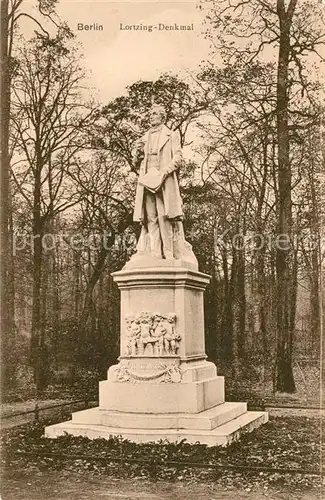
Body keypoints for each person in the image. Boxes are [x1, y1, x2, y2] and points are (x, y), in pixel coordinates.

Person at [131, 104, 197, 266]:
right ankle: (155, 252)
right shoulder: (144, 138)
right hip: (147, 180)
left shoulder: (171, 135)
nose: (151, 116)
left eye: (154, 114)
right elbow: (136, 163)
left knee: (165, 216)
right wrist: (137, 154)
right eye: (150, 114)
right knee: (150, 217)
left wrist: (165, 172)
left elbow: (178, 158)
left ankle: (168, 251)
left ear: (162, 117)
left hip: (164, 180)